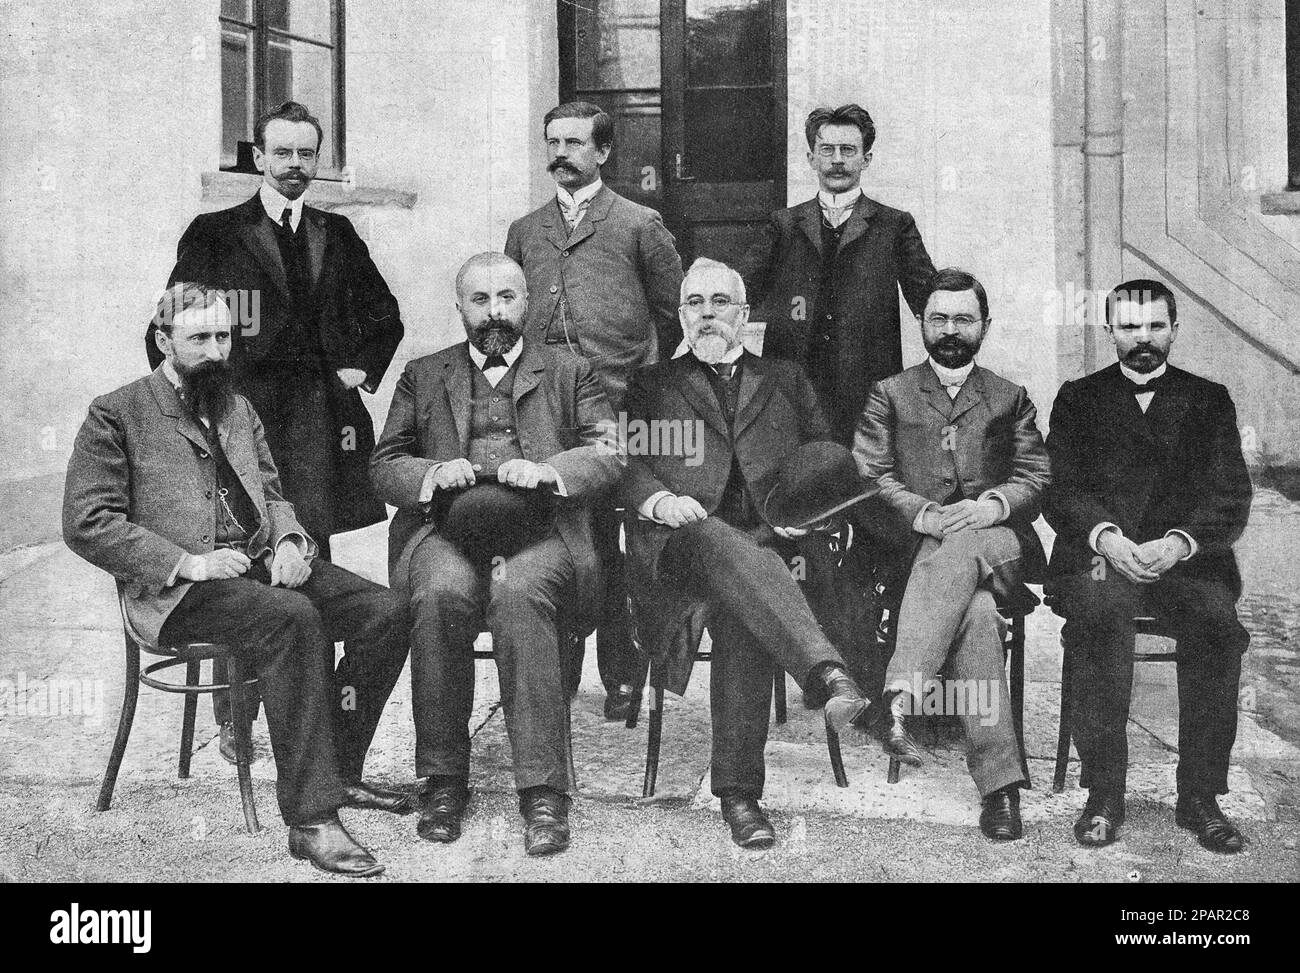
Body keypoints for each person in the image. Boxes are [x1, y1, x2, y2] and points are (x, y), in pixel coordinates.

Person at [65, 283, 412, 877]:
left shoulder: (236, 406)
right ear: (162, 341)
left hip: (253, 567)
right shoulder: (117, 412)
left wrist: (288, 542)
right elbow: (86, 522)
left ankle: (338, 769)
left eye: (223, 336)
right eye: (199, 337)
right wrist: (189, 564)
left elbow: (273, 493)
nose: (215, 350)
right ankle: (311, 821)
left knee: (386, 611)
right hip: (180, 590)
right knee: (291, 617)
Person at [144, 101, 405, 754]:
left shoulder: (334, 234)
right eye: (281, 153)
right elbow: (167, 330)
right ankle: (236, 716)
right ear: (258, 158)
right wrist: (201, 405)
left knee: (304, 560)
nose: (294, 166)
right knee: (242, 561)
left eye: (305, 154)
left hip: (318, 429)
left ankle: (308, 715)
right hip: (240, 423)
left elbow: (386, 315)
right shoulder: (216, 232)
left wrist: (358, 371)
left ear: (317, 161)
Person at [371, 252, 624, 856]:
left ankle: (542, 790)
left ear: (526, 302)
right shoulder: (424, 373)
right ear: (459, 308)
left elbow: (609, 451)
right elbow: (383, 465)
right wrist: (432, 471)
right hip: (447, 531)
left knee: (519, 597)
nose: (494, 313)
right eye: (480, 301)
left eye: (506, 298)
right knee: (437, 596)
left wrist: (546, 470)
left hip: (541, 533)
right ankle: (443, 780)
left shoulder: (569, 371)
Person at [622, 257, 872, 850]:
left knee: (741, 609)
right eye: (694, 303)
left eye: (720, 302)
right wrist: (657, 500)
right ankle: (827, 672)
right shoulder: (651, 384)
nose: (707, 314)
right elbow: (621, 465)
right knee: (715, 539)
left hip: (773, 553)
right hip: (683, 547)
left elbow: (828, 461)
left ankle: (739, 796)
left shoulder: (786, 378)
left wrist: (802, 515)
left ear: (743, 313)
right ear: (681, 314)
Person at [1044, 279, 1253, 853]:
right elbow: (1059, 490)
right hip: (1098, 560)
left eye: (1156, 326)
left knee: (1217, 623)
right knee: (1100, 616)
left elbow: (1230, 495)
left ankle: (1200, 796)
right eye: (1131, 326)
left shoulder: (1209, 399)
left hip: (1184, 563)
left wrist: (1180, 543)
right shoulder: (1078, 398)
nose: (1144, 338)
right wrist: (1107, 538)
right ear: (1109, 330)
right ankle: (1104, 794)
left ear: (1174, 331)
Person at [853, 268, 1051, 841]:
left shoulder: (1009, 397)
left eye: (964, 318)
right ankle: (1001, 789)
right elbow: (869, 475)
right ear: (921, 322)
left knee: (967, 541)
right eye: (938, 317)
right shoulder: (889, 394)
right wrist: (926, 515)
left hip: (1001, 549)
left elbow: (1036, 475)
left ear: (984, 325)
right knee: (980, 617)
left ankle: (899, 693)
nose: (950, 329)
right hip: (918, 554)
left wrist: (990, 506)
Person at [505, 101, 684, 720]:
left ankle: (624, 673)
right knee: (557, 533)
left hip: (618, 407)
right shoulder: (526, 231)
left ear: (603, 153)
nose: (562, 153)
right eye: (553, 141)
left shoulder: (639, 224)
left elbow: (672, 312)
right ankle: (557, 668)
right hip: (547, 413)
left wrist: (634, 378)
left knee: (618, 540)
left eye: (576, 143)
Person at [745, 103, 935, 446]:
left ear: (866, 159)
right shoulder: (783, 226)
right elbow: (740, 293)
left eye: (848, 150)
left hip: (867, 389)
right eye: (827, 150)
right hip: (794, 388)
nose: (837, 160)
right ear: (810, 158)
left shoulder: (894, 226)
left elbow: (931, 301)